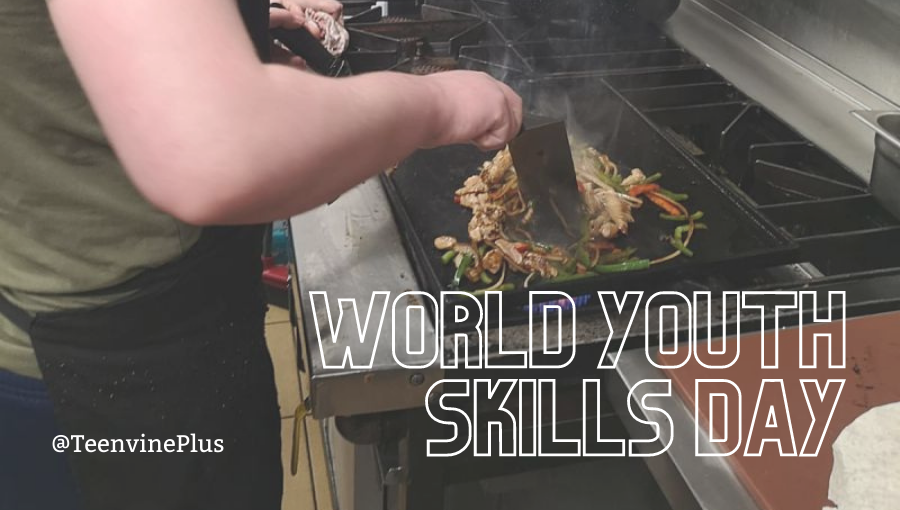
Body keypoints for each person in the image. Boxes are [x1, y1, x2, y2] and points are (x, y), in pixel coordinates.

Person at [0, 0, 523, 508]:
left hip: (123, 313)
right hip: (112, 376)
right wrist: (441, 104)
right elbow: (217, 153)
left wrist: (222, 31)